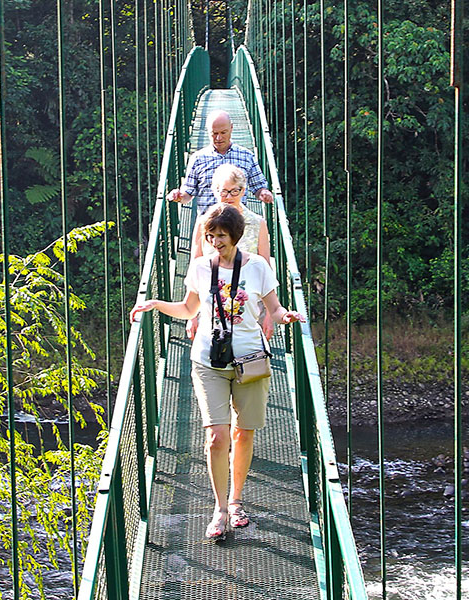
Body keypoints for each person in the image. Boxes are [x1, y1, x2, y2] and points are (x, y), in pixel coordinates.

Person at [129, 204, 304, 540]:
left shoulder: (257, 268)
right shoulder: (199, 267)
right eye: (210, 235)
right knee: (216, 436)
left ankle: (237, 500)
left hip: (250, 359)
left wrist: (286, 317)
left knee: (244, 434)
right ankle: (220, 509)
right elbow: (188, 308)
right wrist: (155, 304)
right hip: (208, 360)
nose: (214, 241)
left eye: (220, 235)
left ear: (235, 235)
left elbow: (274, 308)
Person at [187, 163, 274, 341]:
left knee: (248, 358)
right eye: (223, 191)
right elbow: (195, 265)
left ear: (244, 191)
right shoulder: (204, 222)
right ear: (214, 191)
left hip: (248, 307)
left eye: (235, 191)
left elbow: (266, 269)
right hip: (212, 306)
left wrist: (270, 315)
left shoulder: (258, 223)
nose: (229, 197)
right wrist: (191, 316)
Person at [165, 110, 274, 216]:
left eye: (223, 132)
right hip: (208, 227)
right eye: (214, 133)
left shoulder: (247, 156)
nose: (219, 138)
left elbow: (259, 187)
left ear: (231, 128)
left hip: (236, 226)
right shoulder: (197, 158)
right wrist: (179, 196)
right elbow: (188, 192)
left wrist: (264, 193)